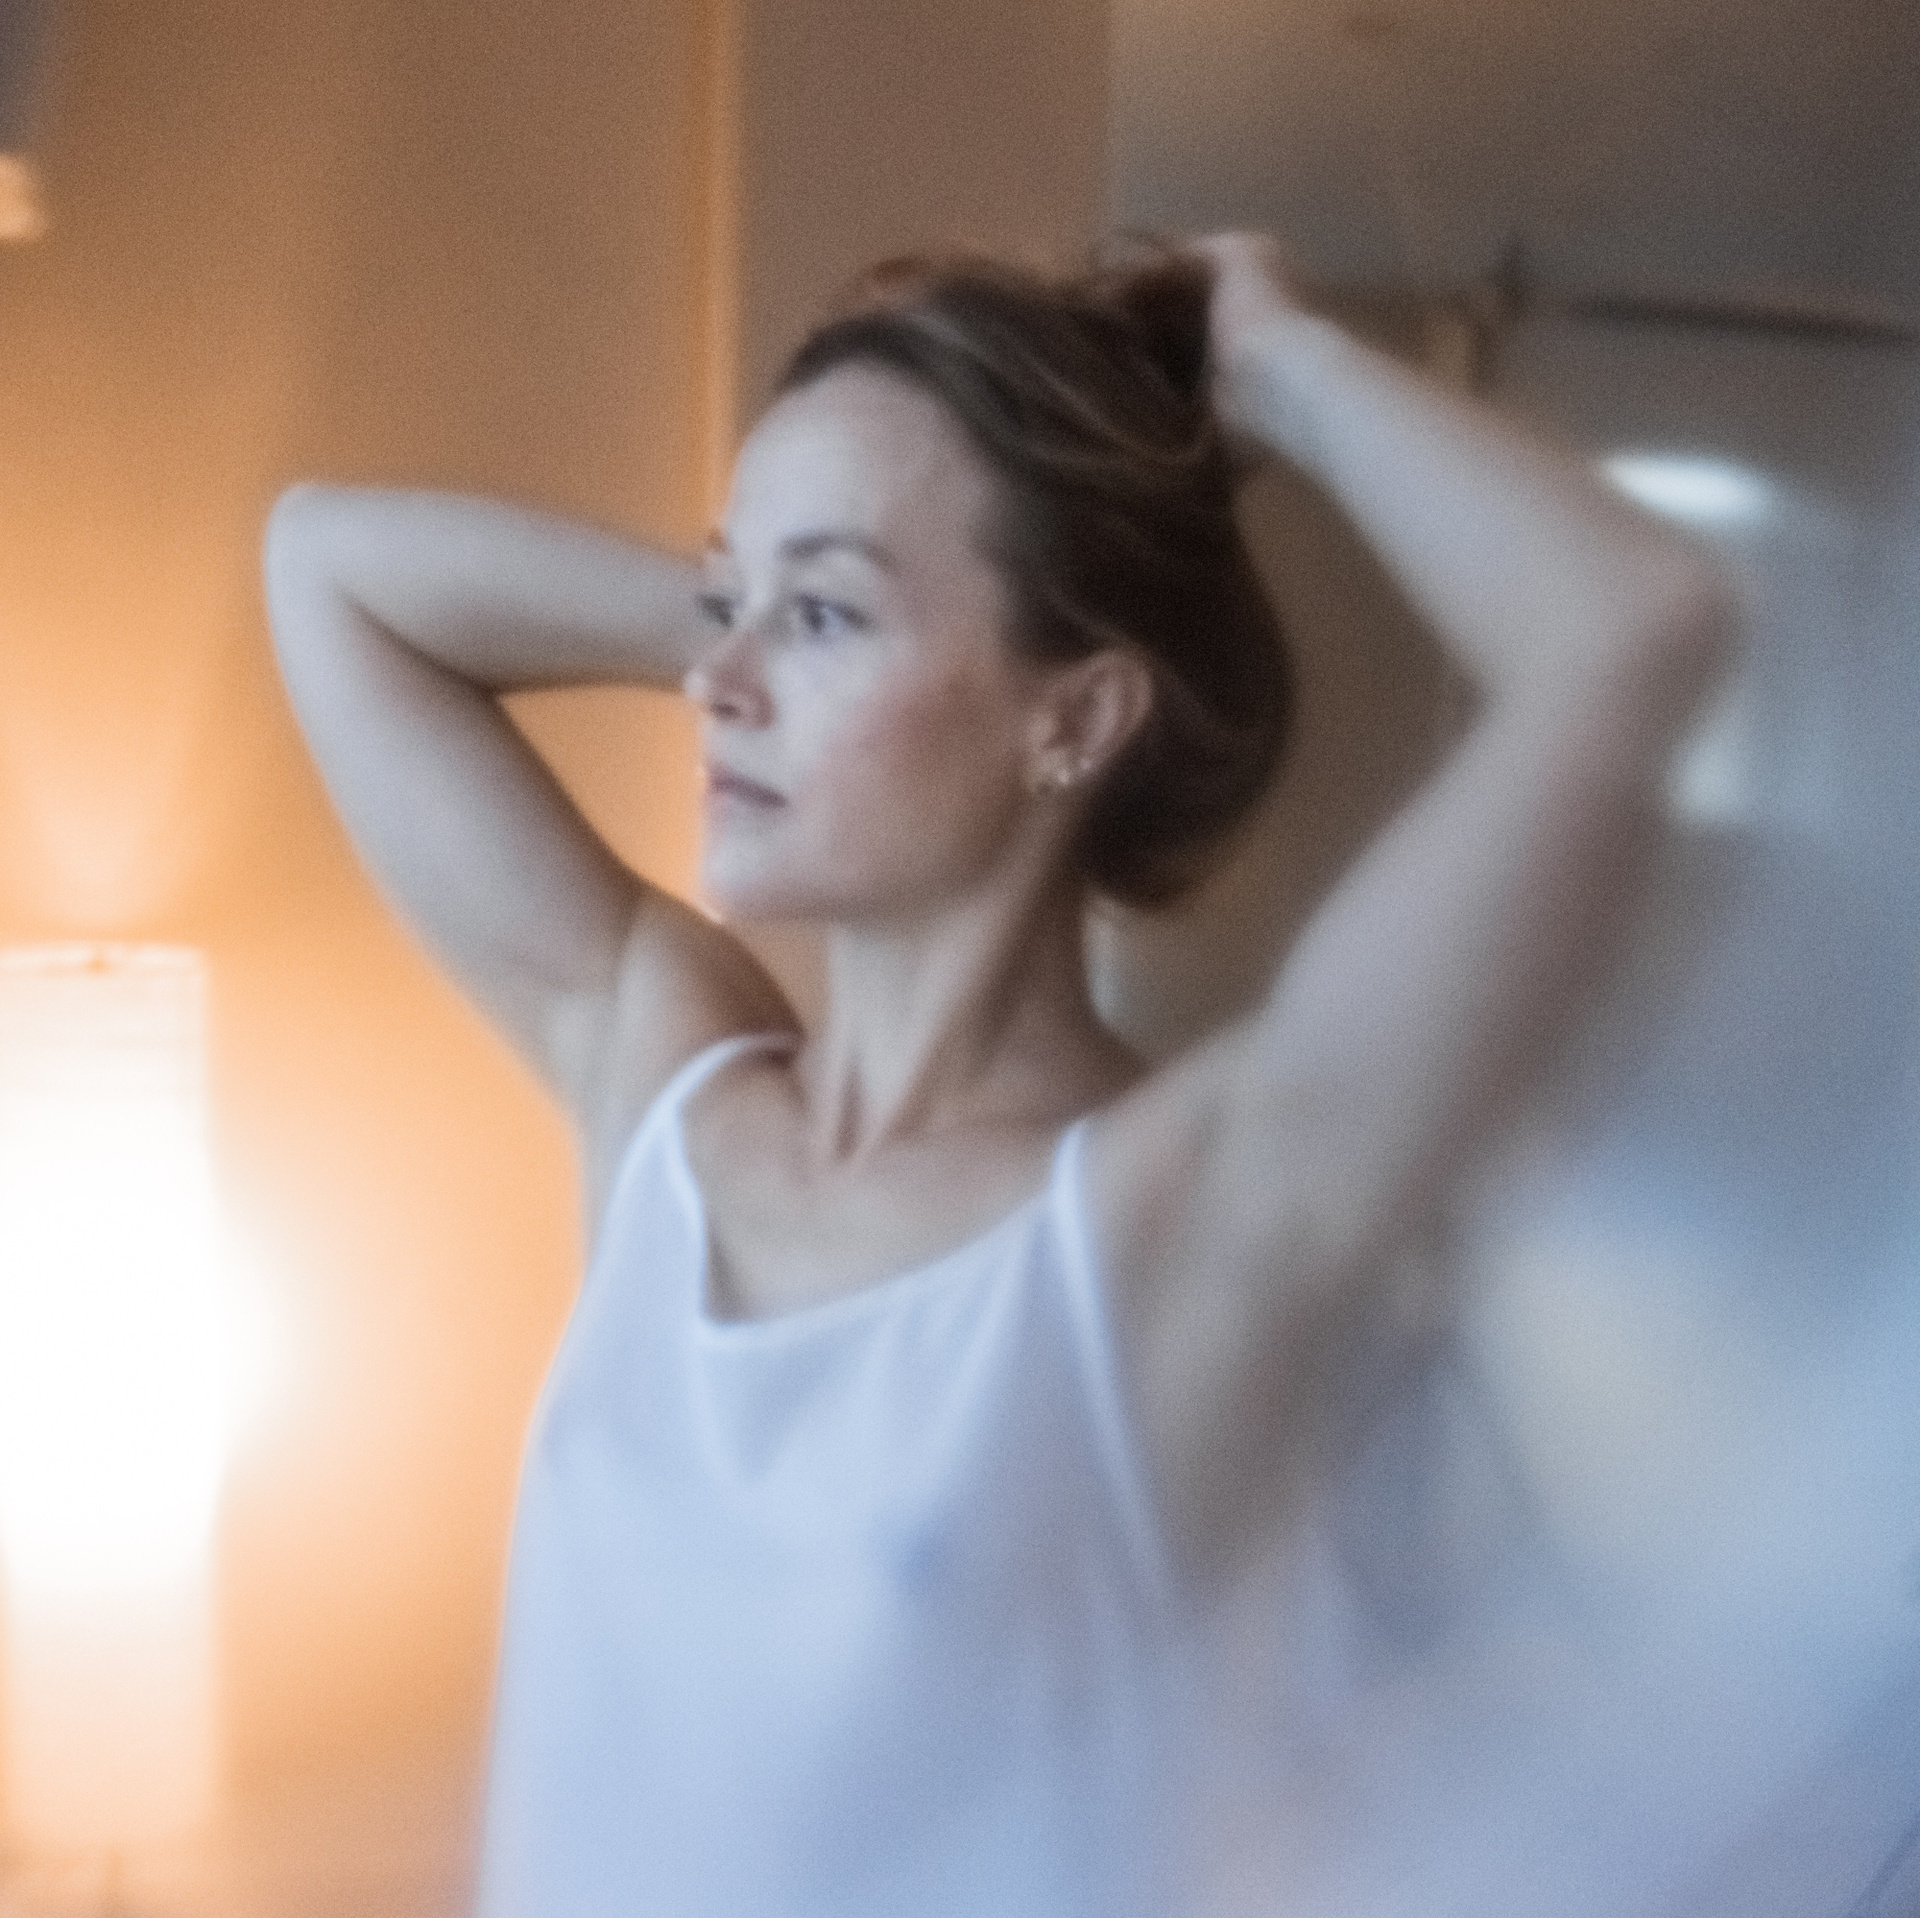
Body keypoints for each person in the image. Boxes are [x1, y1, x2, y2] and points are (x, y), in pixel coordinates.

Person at [263, 234, 1732, 1915]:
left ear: (1076, 717)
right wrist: (771, 616)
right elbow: (325, 568)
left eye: (826, 616)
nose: (718, 688)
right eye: (726, 606)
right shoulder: (663, 1088)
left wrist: (1278, 363)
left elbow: (1638, 628)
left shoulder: (1178, 1217)